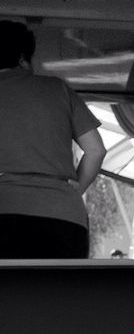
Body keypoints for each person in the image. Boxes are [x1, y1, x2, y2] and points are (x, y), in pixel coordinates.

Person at [0, 19, 106, 258]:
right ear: (22, 57)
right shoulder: (57, 88)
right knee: (61, 294)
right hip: (62, 217)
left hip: (3, 211)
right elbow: (96, 150)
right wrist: (75, 189)